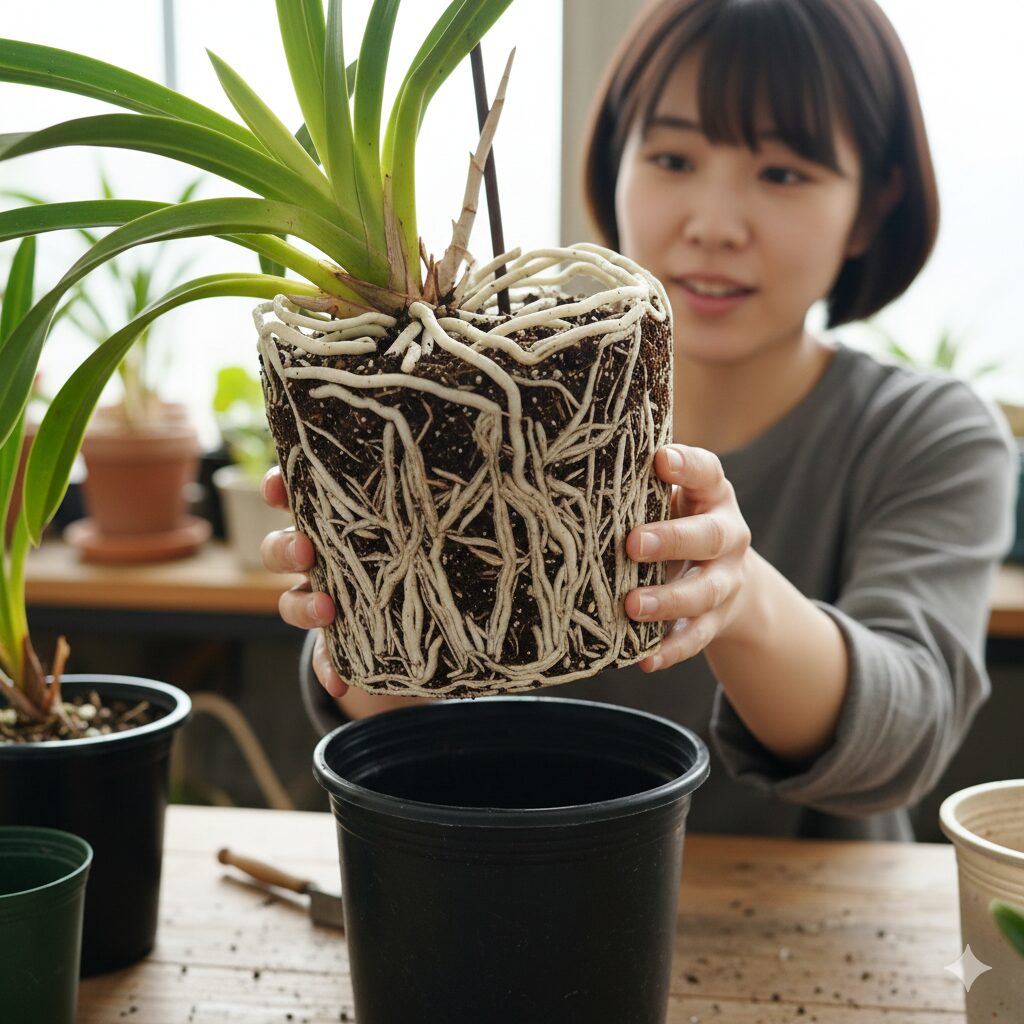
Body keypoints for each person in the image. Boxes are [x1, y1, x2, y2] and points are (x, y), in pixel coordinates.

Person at [260, 0, 1017, 841]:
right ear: (614, 159)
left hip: (796, 929)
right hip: (499, 893)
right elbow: (384, 724)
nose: (714, 226)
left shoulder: (928, 433)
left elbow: (902, 740)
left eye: (783, 174)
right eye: (671, 156)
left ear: (874, 206)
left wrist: (736, 592)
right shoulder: (497, 397)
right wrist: (371, 569)